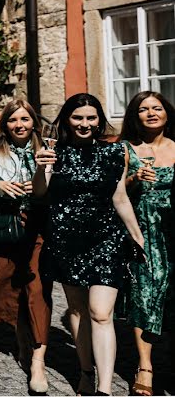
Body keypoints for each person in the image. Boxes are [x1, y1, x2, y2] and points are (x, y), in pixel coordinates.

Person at [34, 93, 145, 396]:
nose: (85, 124)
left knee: (100, 312)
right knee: (78, 310)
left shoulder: (114, 152)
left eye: (91, 118)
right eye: (78, 117)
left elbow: (119, 196)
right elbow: (40, 193)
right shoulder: (53, 152)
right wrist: (40, 167)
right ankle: (85, 370)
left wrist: (136, 233)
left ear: (99, 121)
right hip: (67, 241)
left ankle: (104, 389)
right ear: (67, 120)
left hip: (106, 239)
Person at [0, 99, 51, 393]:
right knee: (9, 288)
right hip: (7, 228)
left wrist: (38, 176)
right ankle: (23, 342)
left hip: (38, 226)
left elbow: (48, 192)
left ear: (33, 123)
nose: (19, 125)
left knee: (36, 290)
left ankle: (38, 360)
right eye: (13, 120)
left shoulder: (46, 152)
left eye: (24, 119)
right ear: (5, 125)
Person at [115, 91, 175, 396]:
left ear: (167, 112)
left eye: (156, 107)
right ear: (134, 116)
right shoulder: (126, 149)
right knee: (144, 293)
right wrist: (134, 178)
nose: (151, 113)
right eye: (143, 109)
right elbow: (114, 190)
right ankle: (145, 366)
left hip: (174, 230)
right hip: (143, 230)